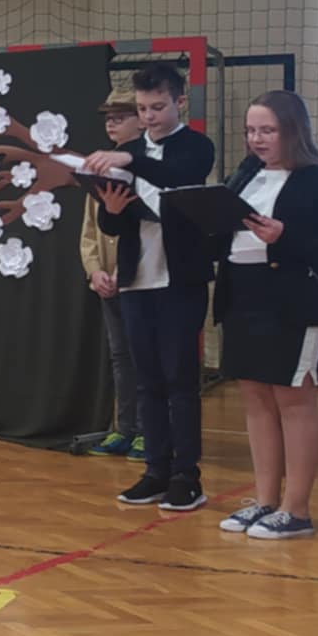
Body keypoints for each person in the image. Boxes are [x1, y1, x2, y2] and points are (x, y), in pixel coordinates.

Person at [210, 91, 318, 540]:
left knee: (293, 399)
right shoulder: (244, 177)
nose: (257, 139)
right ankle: (265, 500)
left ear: (293, 130)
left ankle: (297, 509)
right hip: (243, 296)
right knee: (255, 398)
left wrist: (283, 236)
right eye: (251, 130)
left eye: (267, 130)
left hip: (294, 301)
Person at [86, 63, 216, 512]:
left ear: (180, 102)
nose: (149, 117)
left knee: (181, 379)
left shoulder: (196, 146)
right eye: (142, 109)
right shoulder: (130, 151)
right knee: (148, 380)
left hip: (180, 278)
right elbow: (111, 225)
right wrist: (111, 208)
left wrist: (130, 159)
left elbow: (176, 177)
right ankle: (155, 471)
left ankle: (186, 476)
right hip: (136, 279)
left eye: (157, 107)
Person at [81, 91, 146, 460]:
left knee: (146, 357)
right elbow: (89, 232)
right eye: (108, 117)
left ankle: (150, 431)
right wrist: (95, 272)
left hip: (140, 278)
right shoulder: (98, 170)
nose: (111, 123)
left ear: (141, 120)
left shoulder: (149, 166)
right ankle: (125, 428)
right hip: (108, 281)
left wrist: (127, 268)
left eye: (121, 116)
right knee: (121, 356)